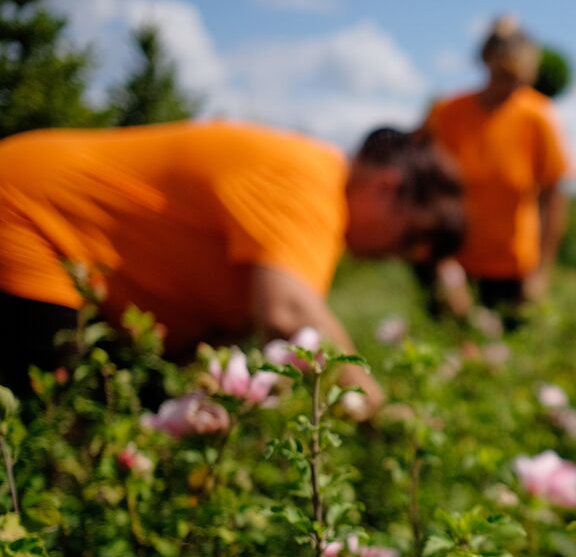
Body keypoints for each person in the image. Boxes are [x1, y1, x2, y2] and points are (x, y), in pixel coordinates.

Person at [0, 120, 463, 413]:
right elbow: (288, 316)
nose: (397, 256)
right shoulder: (310, 181)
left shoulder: (311, 203)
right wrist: (377, 409)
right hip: (26, 213)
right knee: (50, 424)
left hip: (42, 228)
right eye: (408, 238)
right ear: (387, 188)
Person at [421, 15, 572, 318]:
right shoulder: (449, 112)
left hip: (514, 272)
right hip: (455, 265)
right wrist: (442, 265)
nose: (509, 85)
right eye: (502, 73)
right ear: (486, 62)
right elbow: (427, 191)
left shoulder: (537, 115)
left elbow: (553, 197)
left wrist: (541, 273)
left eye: (517, 75)